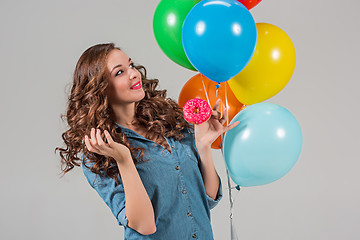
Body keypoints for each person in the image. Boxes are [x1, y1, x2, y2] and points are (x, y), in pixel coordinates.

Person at [55, 42, 240, 239]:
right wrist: (124, 160)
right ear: (100, 90)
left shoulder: (170, 121)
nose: (134, 74)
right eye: (120, 73)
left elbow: (208, 199)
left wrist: (203, 145)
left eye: (131, 65)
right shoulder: (100, 152)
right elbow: (144, 225)